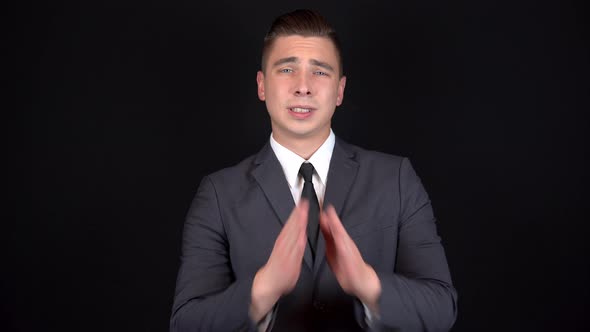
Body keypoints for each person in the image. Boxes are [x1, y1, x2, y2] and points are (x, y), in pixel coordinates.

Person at [170, 9, 457, 332]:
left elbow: (441, 308)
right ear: (262, 85)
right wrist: (262, 289)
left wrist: (367, 284)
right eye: (287, 69)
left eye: (320, 72)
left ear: (340, 90)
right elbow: (186, 323)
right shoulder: (218, 194)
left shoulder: (397, 179)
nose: (303, 86)